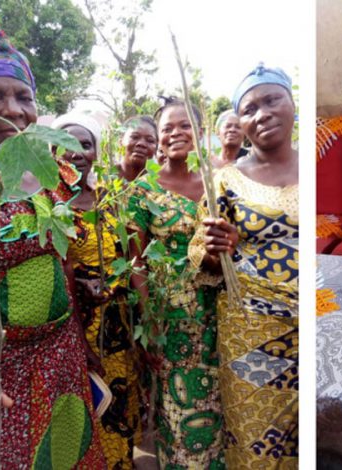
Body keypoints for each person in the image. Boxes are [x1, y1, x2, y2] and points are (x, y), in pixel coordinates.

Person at [0, 23, 105, 469]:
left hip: (60, 356)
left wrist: (79, 324)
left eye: (23, 96)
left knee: (64, 453)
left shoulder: (52, 169)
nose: (12, 110)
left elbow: (61, 256)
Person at [190, 65, 299, 468]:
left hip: (316, 317)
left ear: (292, 103)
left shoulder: (315, 169)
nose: (263, 113)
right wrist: (217, 249)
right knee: (258, 444)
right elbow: (200, 257)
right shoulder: (226, 181)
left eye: (272, 100)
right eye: (250, 109)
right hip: (252, 328)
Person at [127, 97, 225, 467]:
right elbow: (136, 261)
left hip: (221, 311)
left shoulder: (220, 181)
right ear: (159, 138)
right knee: (180, 409)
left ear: (199, 132)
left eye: (185, 126)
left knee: (223, 401)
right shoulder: (142, 190)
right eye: (167, 128)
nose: (176, 133)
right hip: (172, 318)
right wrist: (148, 317)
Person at [56, 112, 144, 469]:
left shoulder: (111, 199)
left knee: (119, 405)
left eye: (85, 144)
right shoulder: (48, 204)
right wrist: (78, 284)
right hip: (76, 327)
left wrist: (145, 318)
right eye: (66, 145)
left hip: (118, 323)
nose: (76, 152)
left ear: (95, 153)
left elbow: (134, 258)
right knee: (85, 408)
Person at [117, 115, 158, 182]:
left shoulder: (162, 187)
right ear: (120, 142)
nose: (141, 144)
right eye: (135, 137)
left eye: (150, 140)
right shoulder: (102, 182)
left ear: (156, 148)